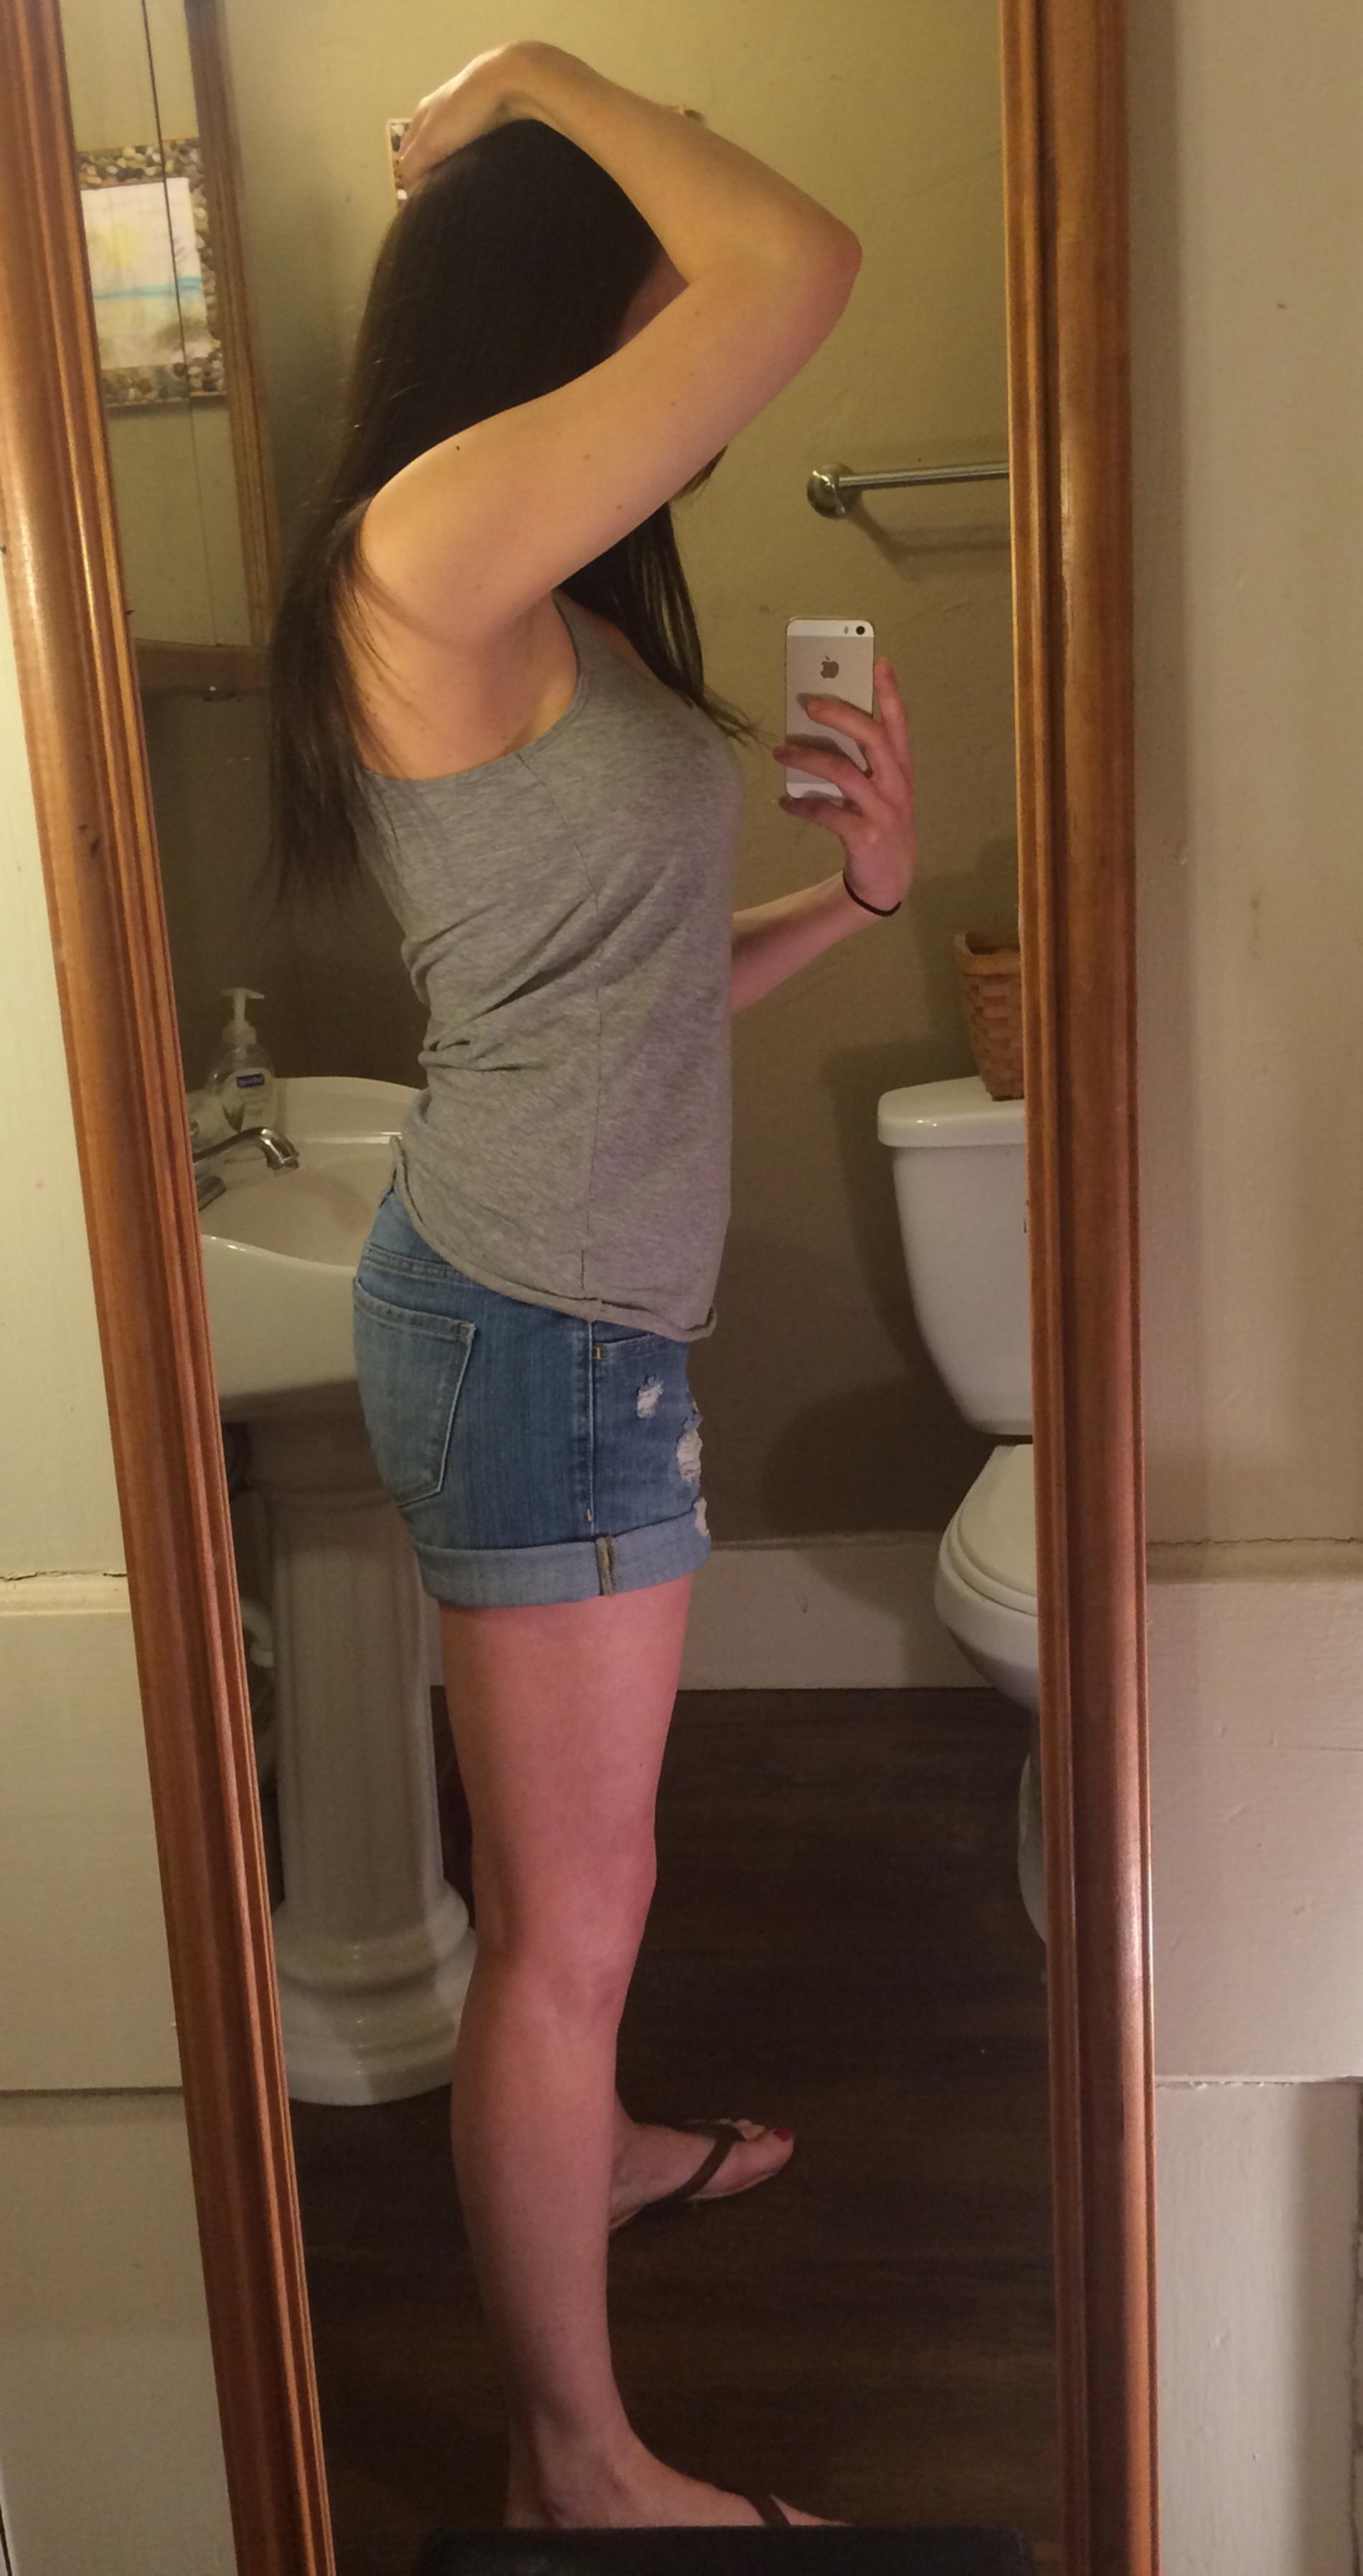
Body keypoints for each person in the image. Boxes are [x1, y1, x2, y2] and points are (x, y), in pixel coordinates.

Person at [266, 39, 915, 2530]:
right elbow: (799, 261)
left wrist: (849, 905)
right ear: (555, 293)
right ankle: (576, 2470)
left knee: (577, 1912)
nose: (686, 333)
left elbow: (612, 997)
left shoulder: (522, 584)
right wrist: (539, 75)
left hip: (563, 1314)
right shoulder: (430, 540)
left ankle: (602, 2148)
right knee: (567, 1920)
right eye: (639, 289)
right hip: (535, 1326)